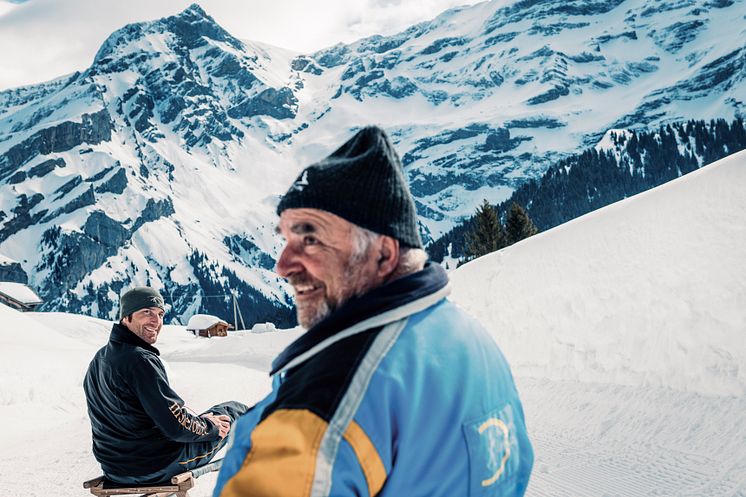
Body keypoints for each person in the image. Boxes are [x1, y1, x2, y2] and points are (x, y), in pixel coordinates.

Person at [214, 126, 533, 497]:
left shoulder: (327, 400)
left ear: (383, 254)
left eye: (310, 239)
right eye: (286, 239)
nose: (282, 265)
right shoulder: (470, 339)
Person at [84, 287, 248, 485]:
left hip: (115, 469)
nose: (156, 321)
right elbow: (176, 426)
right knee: (234, 411)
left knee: (214, 417)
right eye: (146, 312)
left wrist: (199, 423)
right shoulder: (139, 360)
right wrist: (211, 428)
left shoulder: (100, 358)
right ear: (126, 317)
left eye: (160, 314)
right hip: (156, 465)